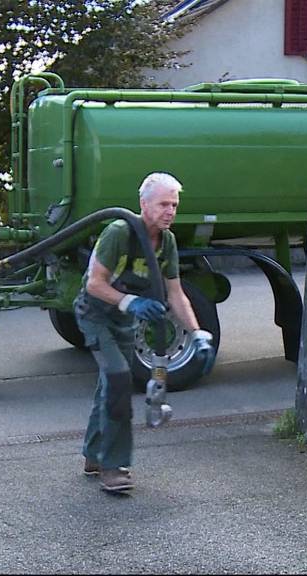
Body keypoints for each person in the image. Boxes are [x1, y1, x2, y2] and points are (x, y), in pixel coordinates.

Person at [73, 172, 215, 493]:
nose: (170, 211)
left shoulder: (168, 242)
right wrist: (131, 301)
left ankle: (93, 455)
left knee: (110, 384)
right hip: (94, 314)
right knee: (120, 379)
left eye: (175, 205)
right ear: (143, 204)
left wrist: (197, 335)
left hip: (123, 321)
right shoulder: (119, 232)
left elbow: (176, 293)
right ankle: (114, 466)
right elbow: (94, 284)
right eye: (164, 204)